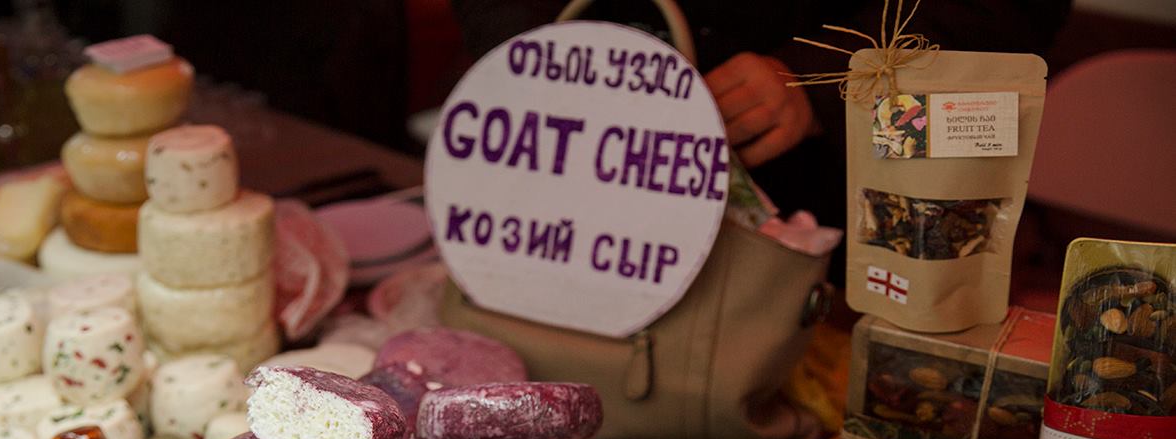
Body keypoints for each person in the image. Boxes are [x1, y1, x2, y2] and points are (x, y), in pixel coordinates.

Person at [452, 0, 1069, 236]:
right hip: (568, 187)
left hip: (830, 210)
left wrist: (826, 76)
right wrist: (535, 56)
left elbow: (1010, 11)